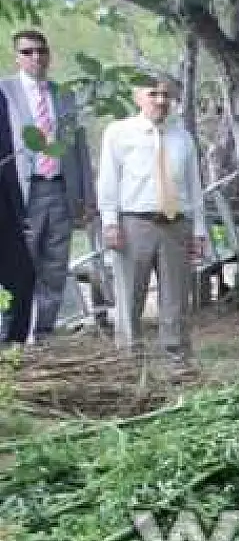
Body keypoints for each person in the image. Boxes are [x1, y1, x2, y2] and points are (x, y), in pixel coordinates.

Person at [95, 72, 206, 368]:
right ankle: (130, 360)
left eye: (166, 95)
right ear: (138, 98)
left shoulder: (182, 137)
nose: (160, 100)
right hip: (134, 224)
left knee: (176, 296)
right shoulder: (119, 133)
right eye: (153, 94)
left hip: (176, 224)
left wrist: (198, 231)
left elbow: (194, 187)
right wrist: (110, 223)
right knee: (130, 295)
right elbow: (108, 181)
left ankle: (177, 359)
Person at [0, 29, 93, 341]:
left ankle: (43, 334)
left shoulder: (63, 95)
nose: (35, 57)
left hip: (59, 189)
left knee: (55, 267)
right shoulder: (5, 91)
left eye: (41, 51)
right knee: (19, 267)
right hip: (21, 194)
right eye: (27, 52)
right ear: (16, 57)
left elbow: (79, 149)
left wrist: (86, 196)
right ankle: (14, 335)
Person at [0, 95, 36, 343]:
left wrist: (18, 211)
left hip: (5, 204)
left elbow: (7, 156)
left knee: (22, 276)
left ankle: (12, 347)